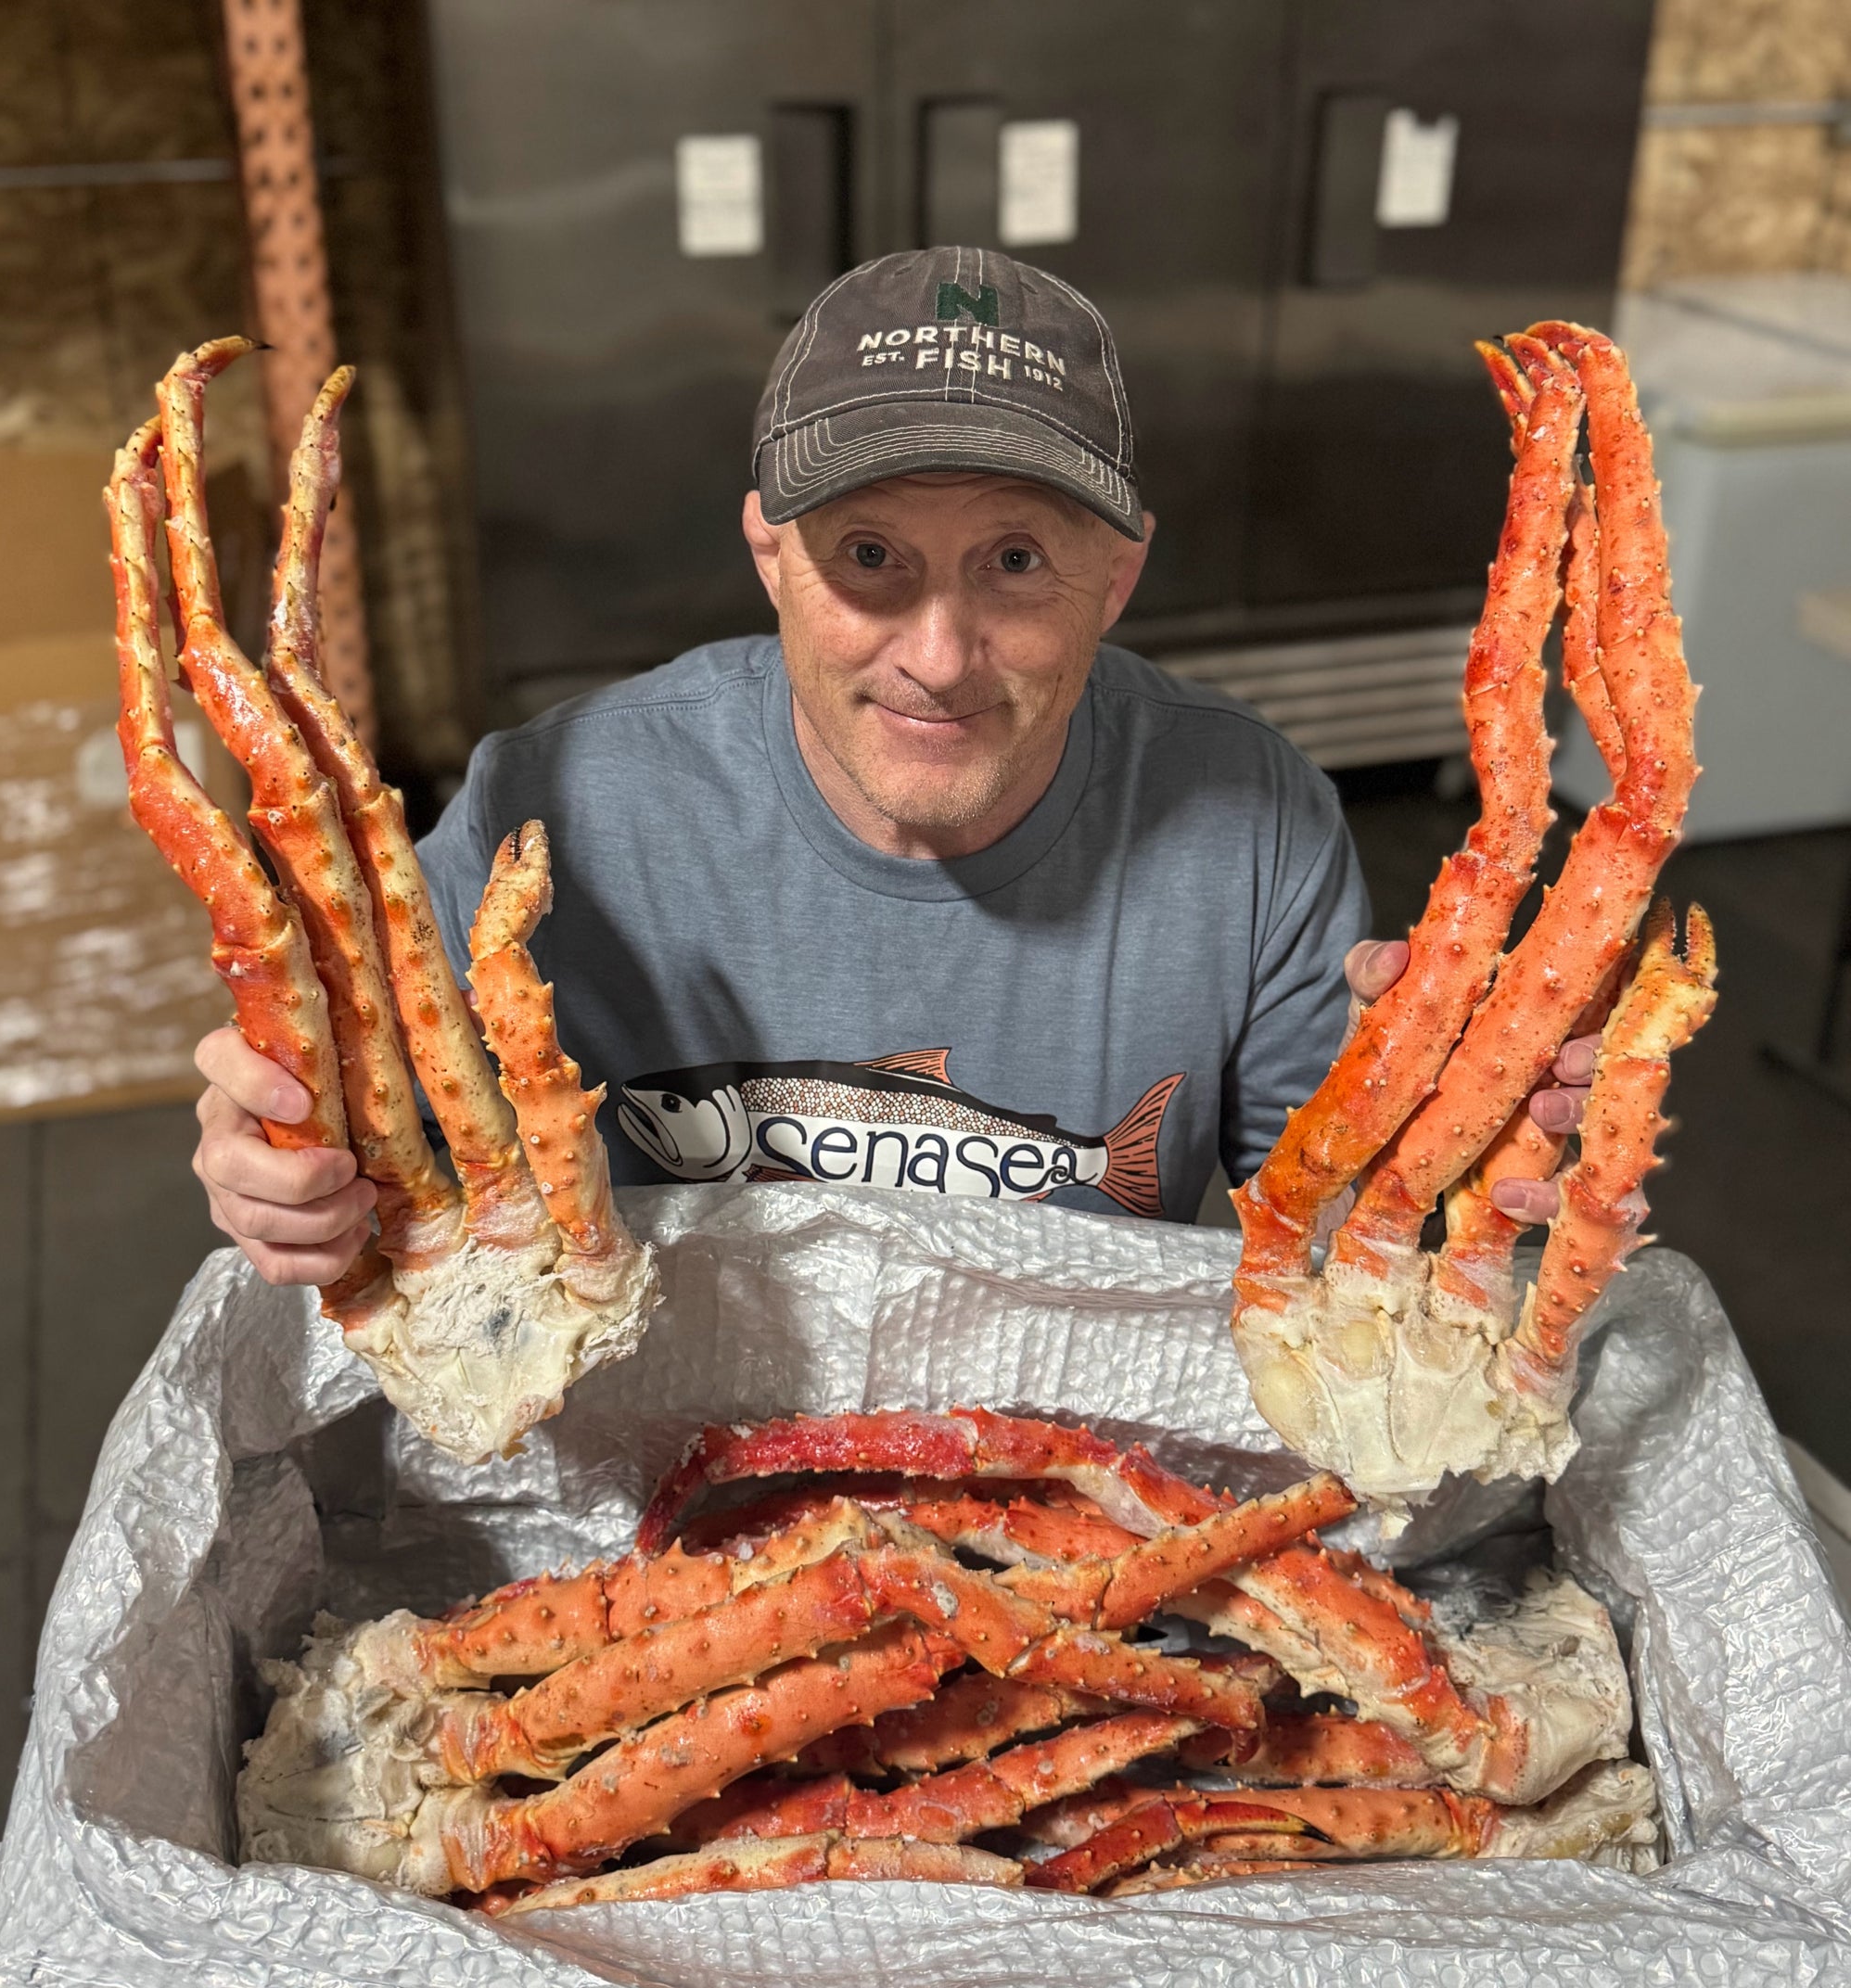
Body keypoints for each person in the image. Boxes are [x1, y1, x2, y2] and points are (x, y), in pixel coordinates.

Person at [188, 248, 1589, 1287]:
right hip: (647, 1471)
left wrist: (1468, 1161)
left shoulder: (1256, 823)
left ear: (1119, 577)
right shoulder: (545, 812)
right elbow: (389, 1156)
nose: (938, 654)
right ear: (769, 555)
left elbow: (1344, 1234)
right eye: (870, 559)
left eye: (1016, 562)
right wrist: (291, 1168)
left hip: (1078, 1501)